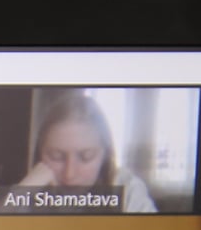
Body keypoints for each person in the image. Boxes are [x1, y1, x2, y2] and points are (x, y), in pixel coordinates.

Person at [17, 90, 158, 212]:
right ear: (40, 153)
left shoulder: (127, 189)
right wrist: (19, 195)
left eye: (86, 157)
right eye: (56, 156)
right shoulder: (31, 190)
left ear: (105, 155)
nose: (69, 174)